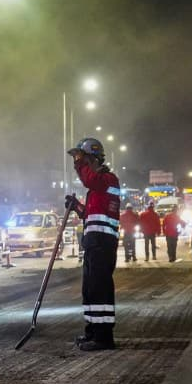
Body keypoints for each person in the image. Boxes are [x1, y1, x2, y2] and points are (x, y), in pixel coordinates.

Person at [65, 137, 120, 351]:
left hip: (103, 243)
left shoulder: (107, 179)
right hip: (93, 242)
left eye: (84, 160)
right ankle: (92, 332)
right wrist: (77, 206)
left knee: (100, 289)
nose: (80, 166)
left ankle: (104, 337)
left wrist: (80, 162)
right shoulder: (98, 186)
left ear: (94, 159)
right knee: (89, 289)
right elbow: (90, 215)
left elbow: (89, 180)